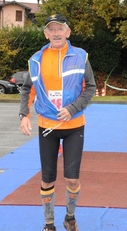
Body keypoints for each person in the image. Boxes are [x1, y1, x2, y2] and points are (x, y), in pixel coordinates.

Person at [19, 14, 96, 231]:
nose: (56, 33)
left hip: (74, 127)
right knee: (47, 179)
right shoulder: (36, 60)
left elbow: (90, 88)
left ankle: (70, 217)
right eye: (51, 29)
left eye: (60, 29)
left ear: (68, 32)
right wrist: (24, 114)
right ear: (45, 34)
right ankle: (49, 223)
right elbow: (27, 89)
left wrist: (72, 108)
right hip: (47, 127)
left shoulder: (81, 56)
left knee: (72, 180)